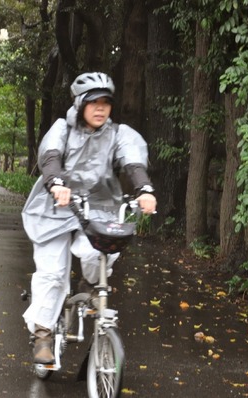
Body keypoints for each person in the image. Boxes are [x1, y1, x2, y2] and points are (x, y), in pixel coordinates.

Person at [21, 72, 157, 364]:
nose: (100, 108)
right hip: (54, 207)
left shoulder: (118, 133)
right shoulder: (63, 129)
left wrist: (144, 190)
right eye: (93, 102)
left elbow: (133, 160)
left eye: (106, 103)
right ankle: (43, 334)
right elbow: (50, 157)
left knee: (105, 250)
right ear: (81, 104)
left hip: (97, 207)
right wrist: (57, 184)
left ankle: (88, 285)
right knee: (53, 273)